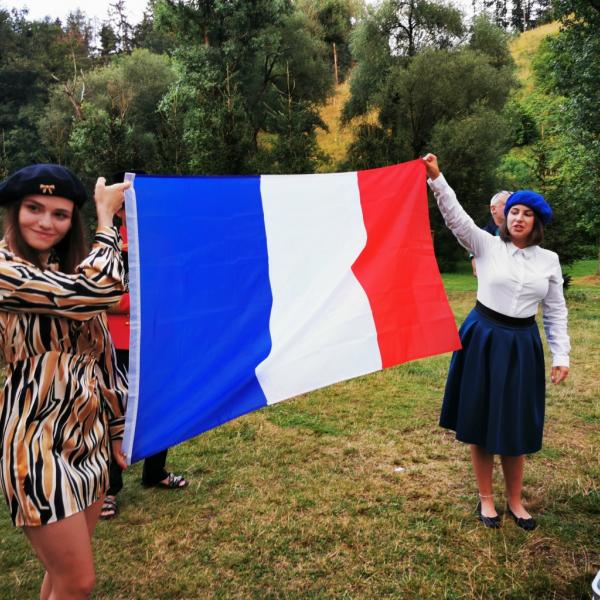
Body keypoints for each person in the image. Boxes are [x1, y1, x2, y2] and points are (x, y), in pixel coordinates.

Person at [0, 163, 129, 599]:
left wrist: (115, 429)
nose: (45, 222)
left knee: (61, 576)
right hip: (35, 444)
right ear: (15, 210)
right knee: (78, 581)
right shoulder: (4, 269)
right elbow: (100, 291)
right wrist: (107, 221)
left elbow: (103, 356)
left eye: (60, 214)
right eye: (33, 208)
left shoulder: (69, 269)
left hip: (88, 439)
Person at [422, 153, 570, 530]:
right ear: (505, 217)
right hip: (483, 337)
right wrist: (437, 178)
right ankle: (486, 499)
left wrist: (561, 354)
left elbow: (555, 311)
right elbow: (456, 217)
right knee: (481, 419)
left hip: (522, 344)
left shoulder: (548, 261)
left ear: (536, 222)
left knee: (516, 423)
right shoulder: (487, 245)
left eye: (526, 214)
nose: (518, 218)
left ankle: (516, 501)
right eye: (513, 211)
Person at [100, 173, 188, 521]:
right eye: (125, 206)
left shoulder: (158, 245)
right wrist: (135, 301)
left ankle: (155, 471)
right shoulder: (106, 245)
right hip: (117, 341)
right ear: (117, 210)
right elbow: (99, 296)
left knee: (160, 404)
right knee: (115, 411)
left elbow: (173, 288)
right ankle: (109, 488)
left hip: (154, 338)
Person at [470, 190, 511, 276]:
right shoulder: (482, 235)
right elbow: (476, 270)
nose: (512, 207)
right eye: (507, 204)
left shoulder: (520, 232)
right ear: (493, 209)